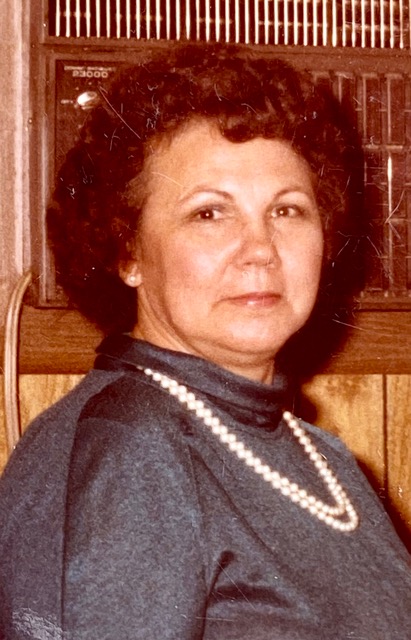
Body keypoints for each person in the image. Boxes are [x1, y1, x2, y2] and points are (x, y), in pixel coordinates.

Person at [0, 44, 410, 640]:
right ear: (128, 251)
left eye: (288, 210)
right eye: (210, 214)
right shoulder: (132, 446)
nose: (260, 250)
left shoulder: (322, 458)